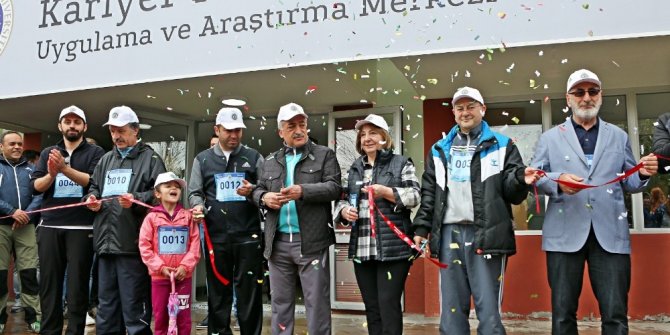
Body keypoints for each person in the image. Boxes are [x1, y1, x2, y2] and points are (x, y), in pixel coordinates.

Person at [531, 69, 658, 334]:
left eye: (593, 91)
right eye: (579, 92)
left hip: (610, 234)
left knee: (615, 313)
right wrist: (558, 181)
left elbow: (629, 181)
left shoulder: (618, 136)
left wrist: (643, 174)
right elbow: (536, 176)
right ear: (568, 99)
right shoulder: (550, 137)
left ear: (600, 96)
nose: (586, 98)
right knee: (563, 315)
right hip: (564, 235)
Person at [413, 87, 539, 334]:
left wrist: (520, 179)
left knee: (489, 311)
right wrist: (421, 227)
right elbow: (429, 192)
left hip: (487, 233)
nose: (465, 112)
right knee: (450, 310)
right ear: (453, 112)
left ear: (483, 109)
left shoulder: (503, 145)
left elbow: (514, 195)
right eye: (460, 108)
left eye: (471, 106)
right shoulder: (439, 149)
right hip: (449, 233)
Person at [252, 102, 342, 335]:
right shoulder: (270, 160)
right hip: (277, 243)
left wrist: (303, 191)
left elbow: (334, 188)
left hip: (312, 242)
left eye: (302, 124)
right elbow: (257, 190)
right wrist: (264, 197)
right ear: (281, 131)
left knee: (317, 305)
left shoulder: (324, 155)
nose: (299, 130)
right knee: (280, 305)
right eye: (292, 126)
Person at [334, 114, 420, 335]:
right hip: (362, 248)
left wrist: (387, 192)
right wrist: (344, 211)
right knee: (371, 308)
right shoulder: (354, 168)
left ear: (384, 137)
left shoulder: (401, 163)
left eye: (372, 133)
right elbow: (343, 199)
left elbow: (415, 196)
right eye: (363, 134)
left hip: (393, 249)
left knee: (388, 305)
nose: (367, 138)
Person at [85, 106, 167, 335]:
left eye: (120, 130)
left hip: (132, 245)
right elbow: (94, 188)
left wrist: (137, 199)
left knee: (134, 308)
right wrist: (91, 199)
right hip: (105, 245)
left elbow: (162, 195)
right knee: (107, 307)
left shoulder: (151, 158)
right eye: (112, 130)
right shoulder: (105, 160)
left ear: (135, 130)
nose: (116, 136)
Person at [188, 108, 264, 335]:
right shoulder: (202, 159)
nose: (234, 135)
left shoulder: (254, 157)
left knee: (249, 291)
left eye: (238, 130)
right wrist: (197, 206)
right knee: (218, 291)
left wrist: (253, 190)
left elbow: (265, 189)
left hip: (248, 235)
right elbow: (194, 192)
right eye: (229, 131)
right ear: (217, 130)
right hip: (215, 236)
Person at [31, 106, 105, 335]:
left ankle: (75, 330)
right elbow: (35, 187)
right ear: (60, 126)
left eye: (76, 122)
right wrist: (52, 173)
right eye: (67, 121)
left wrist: (64, 168)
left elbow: (94, 181)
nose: (72, 125)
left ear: (84, 126)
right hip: (50, 225)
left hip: (81, 228)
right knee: (49, 286)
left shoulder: (95, 152)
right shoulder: (48, 152)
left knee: (77, 286)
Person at [139, 172, 200, 335]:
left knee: (183, 318)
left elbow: (195, 245)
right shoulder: (151, 218)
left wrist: (185, 267)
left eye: (177, 186)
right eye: (168, 186)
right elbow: (144, 246)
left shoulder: (188, 217)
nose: (174, 188)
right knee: (161, 317)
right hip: (159, 278)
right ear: (157, 193)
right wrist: (160, 267)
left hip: (183, 278)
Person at [0, 131, 42, 333]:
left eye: (19, 144)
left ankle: (34, 318)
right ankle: (0, 318)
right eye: (12, 144)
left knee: (28, 274)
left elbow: (40, 194)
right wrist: (12, 212)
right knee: (0, 276)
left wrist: (26, 214)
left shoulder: (31, 169)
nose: (17, 147)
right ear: (2, 147)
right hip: (1, 226)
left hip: (26, 226)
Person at [195, 133, 219, 331]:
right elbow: (196, 193)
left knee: (235, 276)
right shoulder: (202, 163)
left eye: (216, 145)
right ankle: (213, 314)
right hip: (209, 228)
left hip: (237, 230)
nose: (214, 149)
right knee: (213, 274)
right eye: (211, 145)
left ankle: (235, 313)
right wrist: (198, 206)